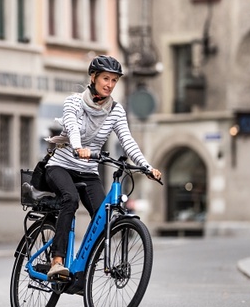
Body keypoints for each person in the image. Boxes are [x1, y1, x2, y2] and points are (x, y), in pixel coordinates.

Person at [44, 55, 162, 281]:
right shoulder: (74, 102)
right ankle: (57, 262)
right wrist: (78, 147)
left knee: (103, 216)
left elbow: (127, 140)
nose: (109, 84)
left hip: (87, 171)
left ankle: (81, 268)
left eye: (114, 80)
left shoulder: (116, 111)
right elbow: (72, 126)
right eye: (105, 78)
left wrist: (147, 167)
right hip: (61, 166)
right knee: (69, 199)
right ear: (93, 77)